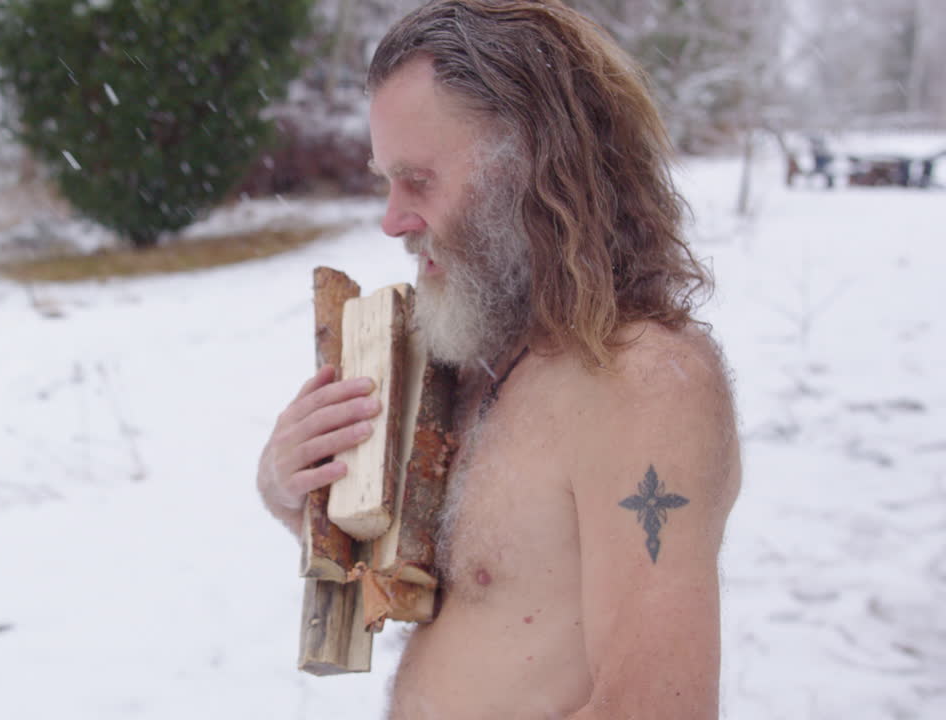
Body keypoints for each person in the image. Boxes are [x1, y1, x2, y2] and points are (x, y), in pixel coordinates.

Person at [256, 1, 741, 718]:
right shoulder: (476, 352)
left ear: (534, 169)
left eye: (419, 179)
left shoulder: (642, 383)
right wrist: (292, 492)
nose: (391, 220)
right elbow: (447, 591)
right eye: (386, 179)